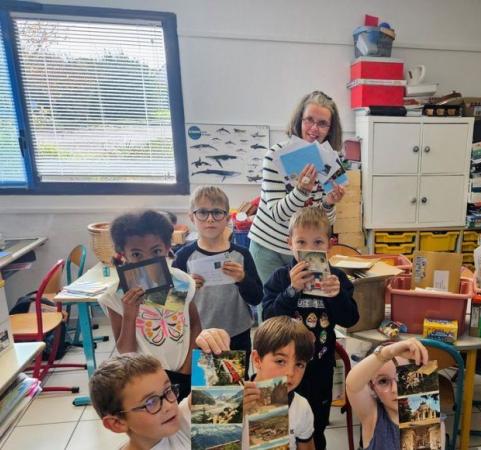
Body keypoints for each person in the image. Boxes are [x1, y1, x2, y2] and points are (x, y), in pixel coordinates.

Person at [262, 206, 359, 449]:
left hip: (320, 366)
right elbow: (268, 318)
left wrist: (336, 296)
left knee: (316, 426)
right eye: (301, 242)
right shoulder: (281, 277)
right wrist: (291, 290)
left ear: (328, 245)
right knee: (278, 423)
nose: (309, 249)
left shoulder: (336, 278)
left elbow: (351, 319)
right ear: (290, 244)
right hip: (284, 367)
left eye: (317, 242)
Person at [101, 210, 202, 401]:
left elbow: (194, 325)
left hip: (185, 371)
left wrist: (187, 368)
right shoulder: (116, 296)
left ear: (166, 247)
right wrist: (130, 313)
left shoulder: (180, 282)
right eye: (137, 254)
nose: (148, 260)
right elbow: (126, 352)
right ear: (123, 254)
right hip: (146, 379)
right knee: (159, 426)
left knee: (187, 423)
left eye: (156, 251)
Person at [248, 91, 346, 284]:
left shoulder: (331, 160)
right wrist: (301, 190)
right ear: (299, 120)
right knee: (271, 310)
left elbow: (323, 223)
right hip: (269, 248)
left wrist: (329, 203)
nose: (314, 128)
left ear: (330, 129)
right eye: (309, 120)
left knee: (305, 307)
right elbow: (278, 214)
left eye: (322, 123)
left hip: (306, 250)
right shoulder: (275, 156)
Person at [172, 186, 263, 374]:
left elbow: (256, 297)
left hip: (237, 334)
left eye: (217, 213)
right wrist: (189, 288)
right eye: (203, 212)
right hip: (200, 336)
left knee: (235, 390)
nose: (210, 218)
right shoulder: (184, 257)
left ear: (228, 219)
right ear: (192, 218)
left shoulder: (241, 254)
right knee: (207, 393)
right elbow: (172, 305)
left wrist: (242, 278)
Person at [195, 317, 316, 450]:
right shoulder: (229, 398)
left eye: (299, 364)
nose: (290, 372)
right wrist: (234, 418)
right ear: (257, 360)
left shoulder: (301, 407)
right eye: (280, 361)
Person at [89, 353, 190, 450]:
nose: (169, 406)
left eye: (168, 390)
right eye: (151, 402)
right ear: (117, 423)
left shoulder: (182, 423)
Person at [345, 338, 429, 449]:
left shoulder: (428, 418)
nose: (395, 389)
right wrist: (385, 353)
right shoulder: (372, 416)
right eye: (383, 381)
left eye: (403, 377)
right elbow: (352, 386)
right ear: (371, 387)